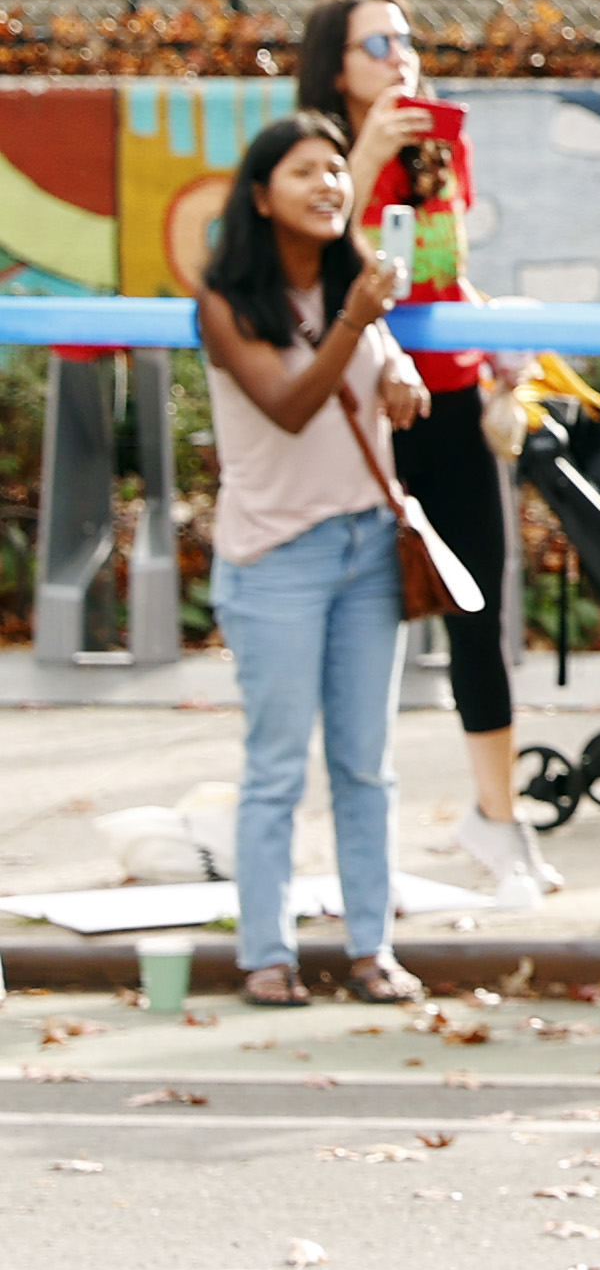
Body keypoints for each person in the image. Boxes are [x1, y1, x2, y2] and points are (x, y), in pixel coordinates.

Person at [294, 0, 543, 908]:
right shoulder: (315, 157)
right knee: (359, 617)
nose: (400, 54)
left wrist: (495, 336)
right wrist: (366, 155)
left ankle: (496, 815)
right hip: (358, 407)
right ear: (336, 65)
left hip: (444, 394)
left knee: (478, 600)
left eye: (406, 38)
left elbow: (438, 270)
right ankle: (358, 835)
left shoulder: (442, 145)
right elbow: (318, 261)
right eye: (376, 42)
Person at [195, 112, 431, 1006]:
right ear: (261, 196)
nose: (330, 184)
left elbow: (363, 355)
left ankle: (372, 948)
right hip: (275, 560)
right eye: (306, 171)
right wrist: (359, 322)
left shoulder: (355, 287)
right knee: (277, 766)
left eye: (338, 170)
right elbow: (290, 404)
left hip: (369, 546)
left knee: (366, 763)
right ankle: (268, 954)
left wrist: (396, 358)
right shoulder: (225, 304)